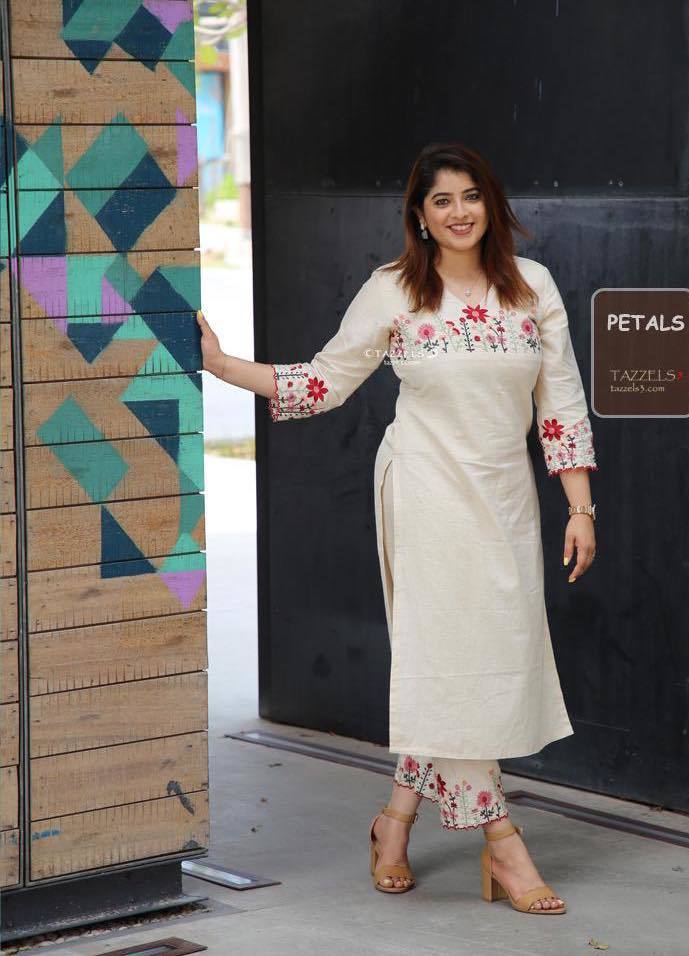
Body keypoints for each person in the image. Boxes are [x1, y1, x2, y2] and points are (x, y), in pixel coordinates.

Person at [196, 142, 597, 915]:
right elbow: (325, 381)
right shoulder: (394, 290)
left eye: (471, 195)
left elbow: (561, 403)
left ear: (492, 203)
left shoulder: (532, 287)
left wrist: (580, 507)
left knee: (474, 662)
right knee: (446, 662)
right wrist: (224, 366)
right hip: (424, 492)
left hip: (507, 499)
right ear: (419, 214)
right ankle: (503, 842)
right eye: (441, 199)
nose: (459, 212)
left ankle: (396, 821)